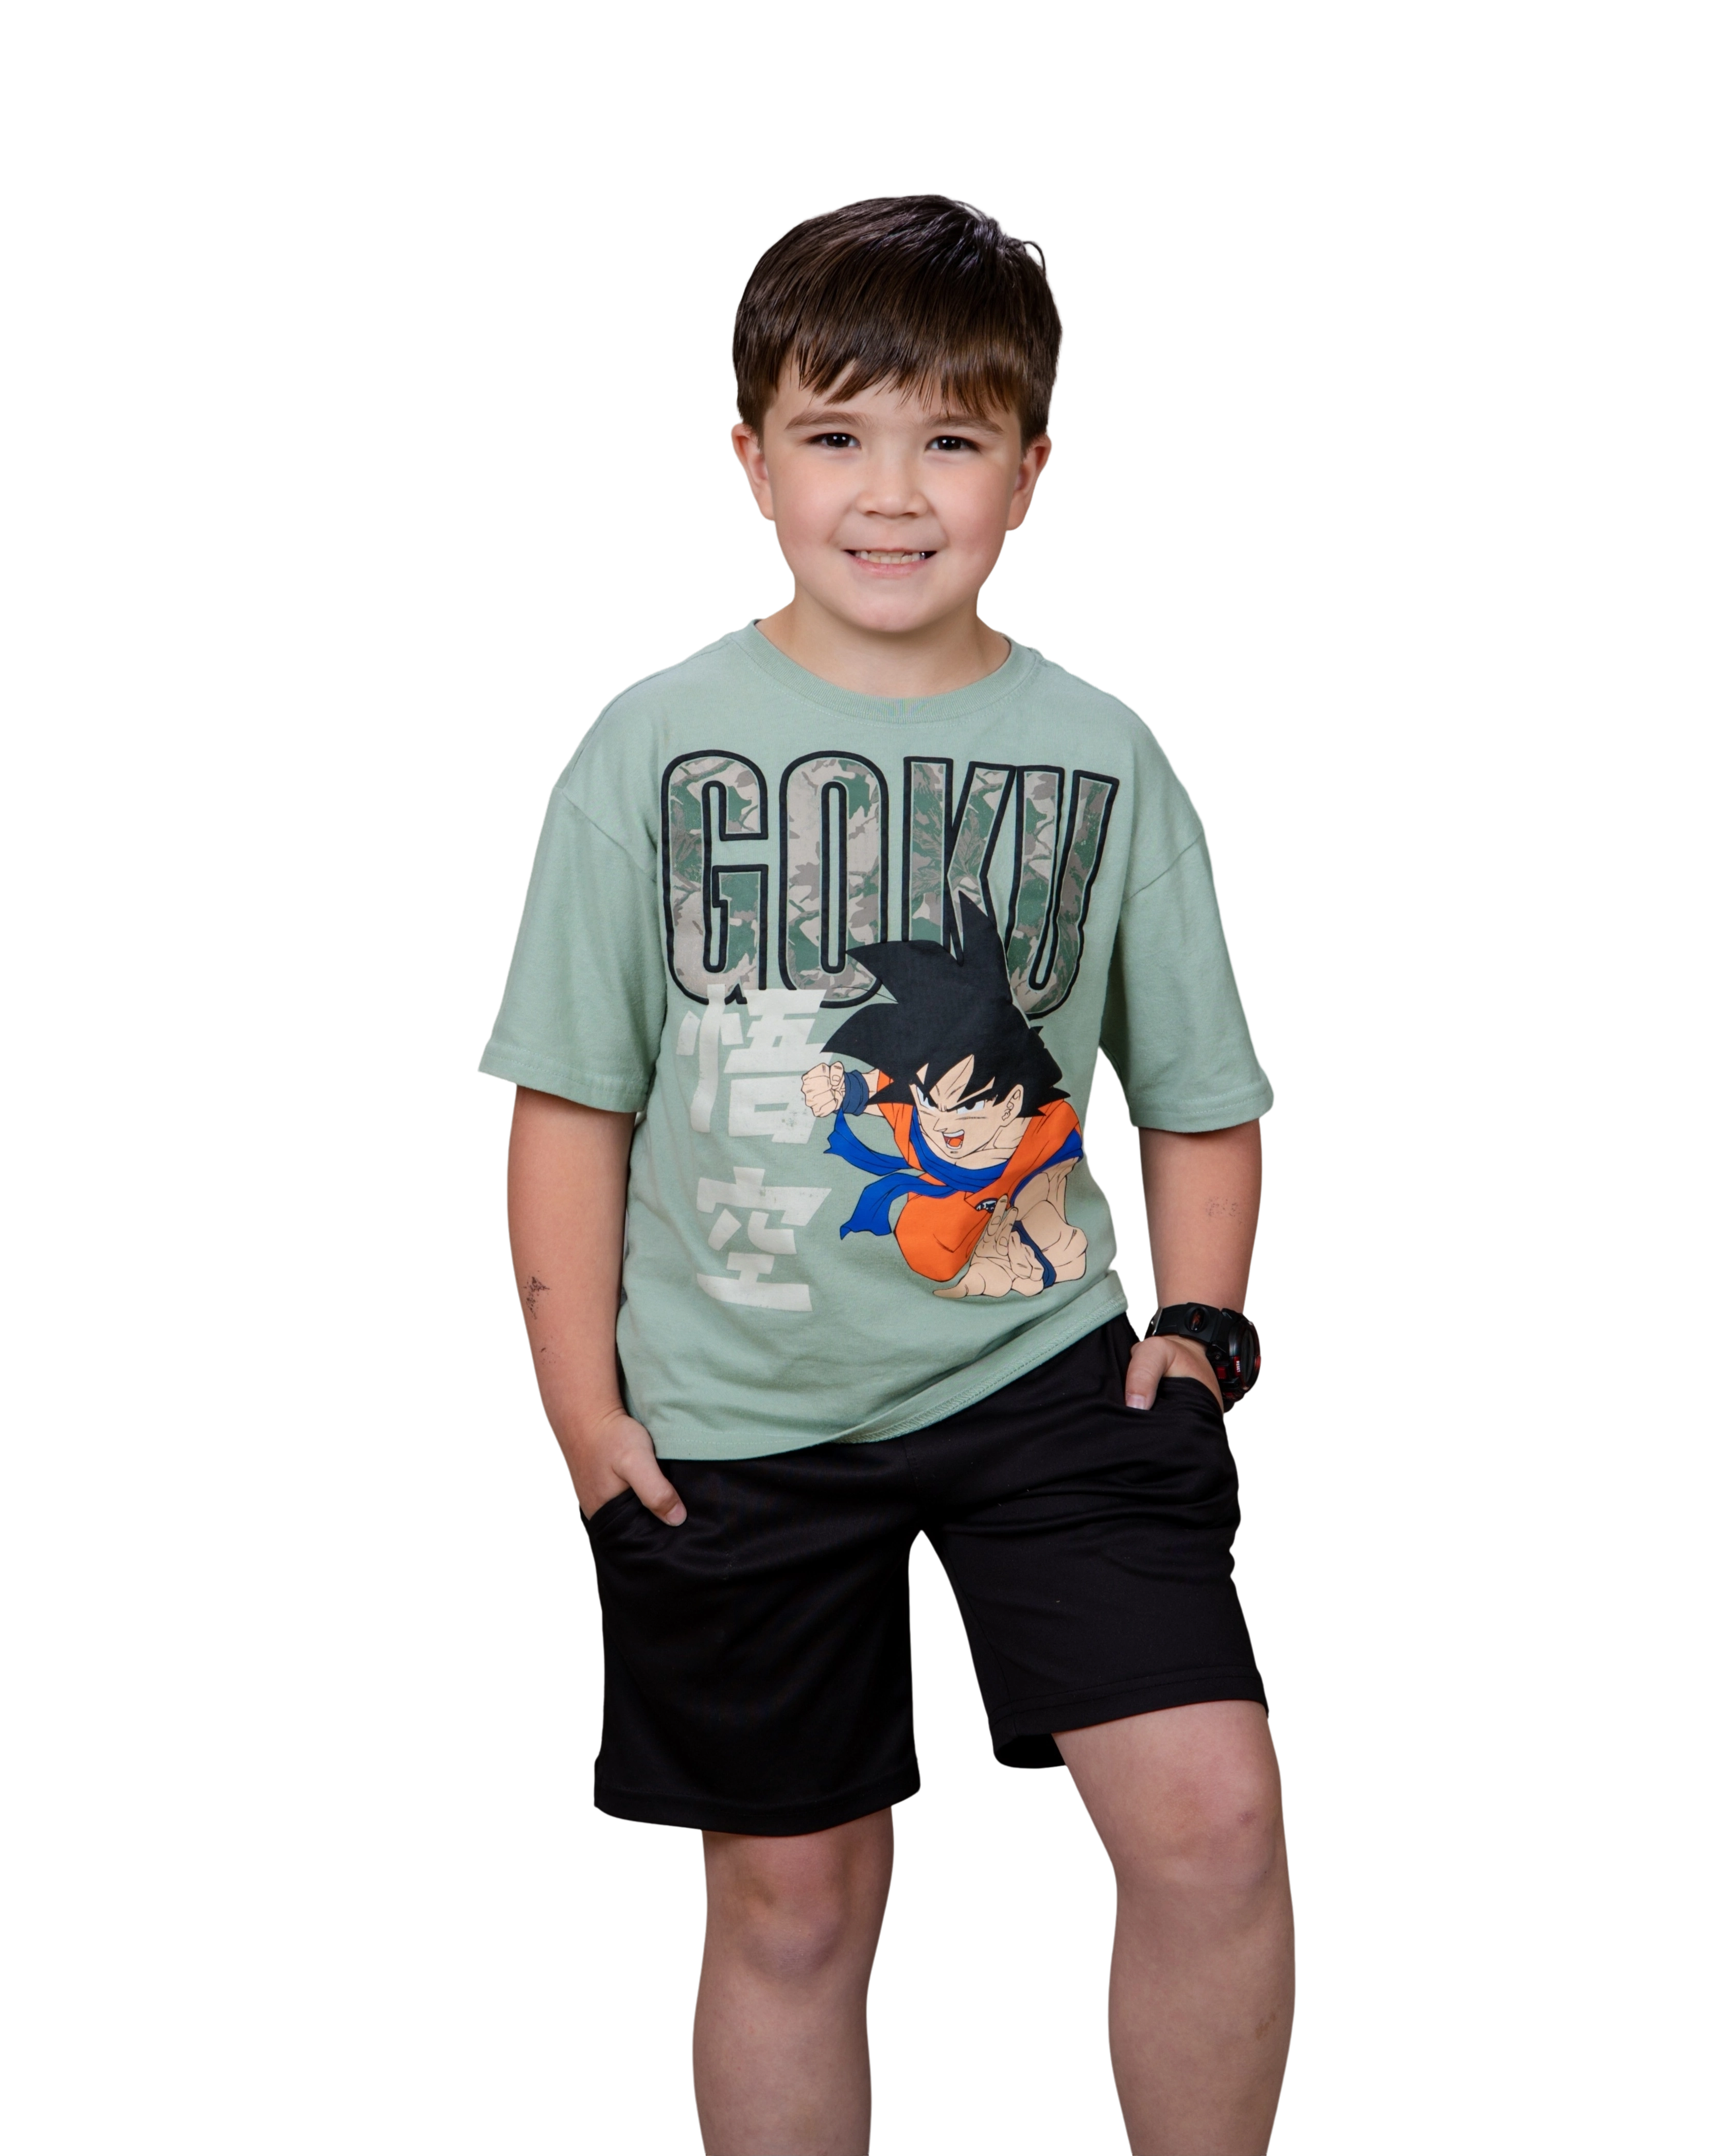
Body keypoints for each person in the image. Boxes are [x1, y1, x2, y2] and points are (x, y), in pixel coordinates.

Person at [477, 191, 1296, 2156]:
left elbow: (1197, 1090)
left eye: (952, 437)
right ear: (751, 459)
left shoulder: (1103, 757)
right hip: (733, 1401)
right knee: (795, 1900)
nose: (894, 493)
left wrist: (1198, 1332)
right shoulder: (650, 748)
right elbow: (571, 1100)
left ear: (1032, 467)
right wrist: (583, 1412)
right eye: (836, 433)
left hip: (1045, 1372)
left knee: (1214, 1819)